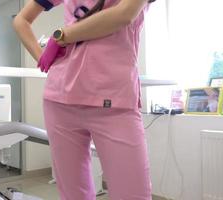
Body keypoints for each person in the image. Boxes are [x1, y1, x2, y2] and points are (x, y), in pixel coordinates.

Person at [13, 0, 155, 199]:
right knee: (73, 195)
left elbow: (124, 15)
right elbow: (21, 20)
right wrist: (43, 58)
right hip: (59, 99)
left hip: (115, 101)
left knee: (133, 194)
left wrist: (61, 36)